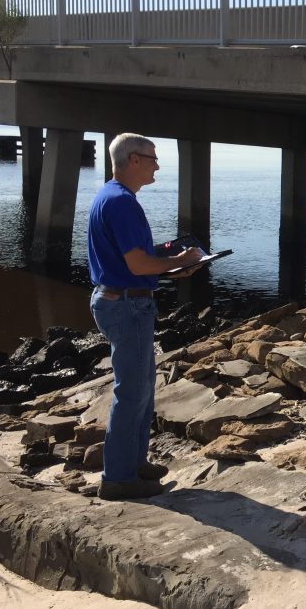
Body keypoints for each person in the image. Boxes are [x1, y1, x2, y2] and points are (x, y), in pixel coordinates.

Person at [87, 133, 204, 501]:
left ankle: (134, 463)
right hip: (127, 305)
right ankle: (118, 479)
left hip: (119, 299)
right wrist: (181, 262)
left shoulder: (112, 196)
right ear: (133, 160)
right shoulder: (123, 203)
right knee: (132, 392)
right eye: (152, 158)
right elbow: (137, 264)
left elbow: (132, 257)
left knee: (142, 389)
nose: (157, 165)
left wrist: (167, 263)